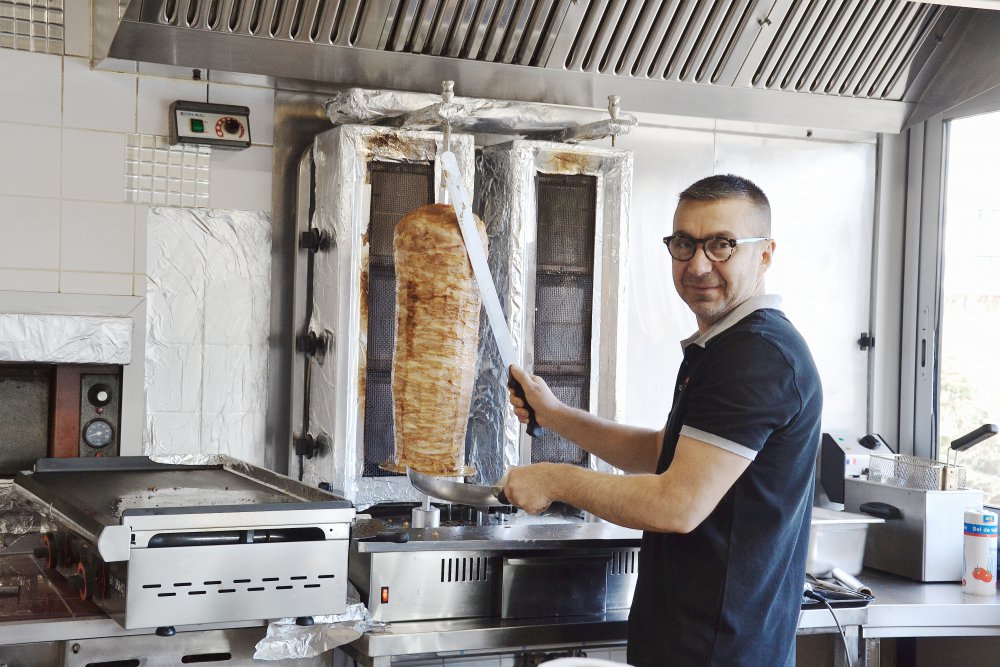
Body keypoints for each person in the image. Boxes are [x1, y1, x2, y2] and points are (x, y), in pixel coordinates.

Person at [504, 174, 823, 667]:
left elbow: (678, 504)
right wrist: (556, 415)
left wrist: (553, 479)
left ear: (765, 255)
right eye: (684, 243)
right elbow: (661, 453)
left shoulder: (756, 356)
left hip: (719, 651)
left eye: (722, 244)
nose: (698, 264)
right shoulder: (725, 346)